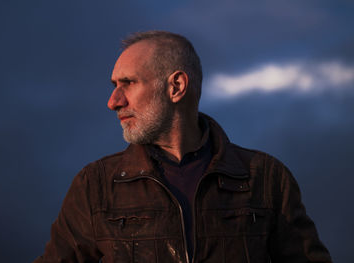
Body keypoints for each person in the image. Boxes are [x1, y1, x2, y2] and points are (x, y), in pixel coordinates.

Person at [34, 31, 332, 263]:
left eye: (128, 83)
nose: (114, 101)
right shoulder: (95, 186)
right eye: (114, 85)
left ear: (176, 87)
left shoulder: (265, 178)